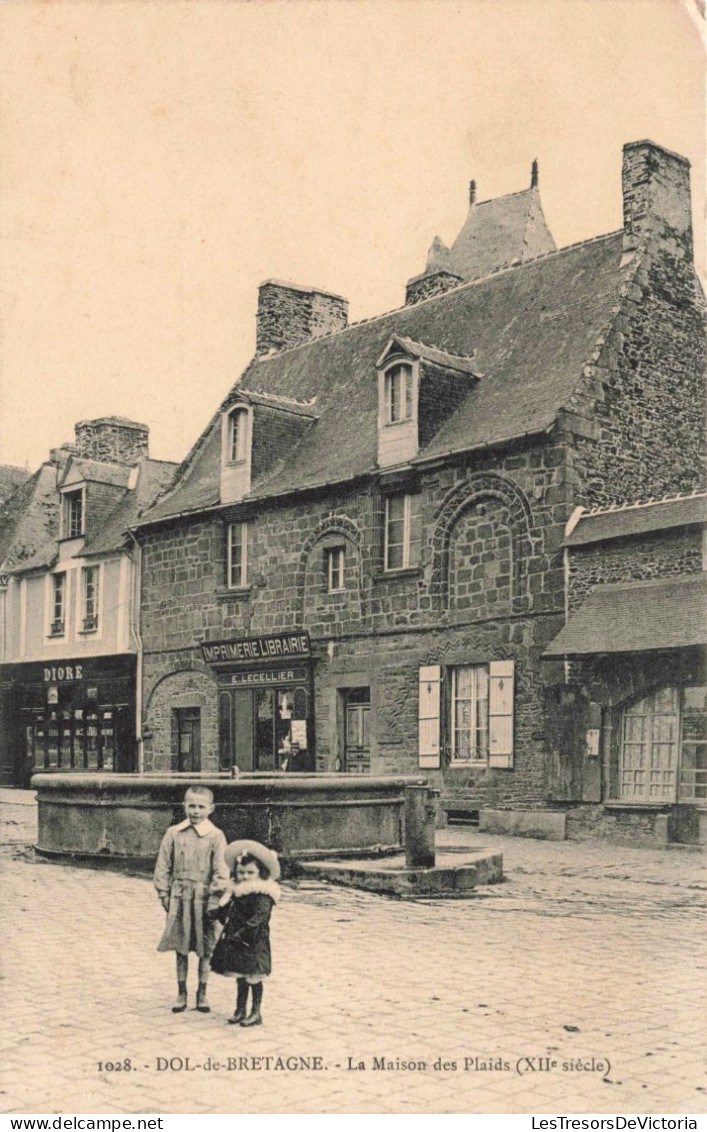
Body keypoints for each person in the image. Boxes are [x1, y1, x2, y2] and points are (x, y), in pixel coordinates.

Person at [153, 785, 229, 1014]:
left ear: (211, 808)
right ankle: (181, 992)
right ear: (184, 805)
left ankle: (202, 993)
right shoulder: (174, 833)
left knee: (206, 947)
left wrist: (214, 898)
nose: (195, 811)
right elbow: (163, 865)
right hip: (180, 895)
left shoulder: (216, 836)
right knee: (181, 945)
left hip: (204, 899)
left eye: (201, 806)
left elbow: (221, 870)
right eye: (191, 805)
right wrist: (164, 894)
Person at [208, 839, 281, 1027]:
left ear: (261, 873)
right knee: (240, 974)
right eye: (241, 872)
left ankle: (256, 1012)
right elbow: (230, 909)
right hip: (237, 938)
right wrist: (216, 913)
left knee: (253, 976)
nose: (245, 876)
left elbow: (259, 917)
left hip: (253, 940)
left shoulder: (263, 894)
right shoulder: (237, 890)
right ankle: (240, 1009)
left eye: (250, 873)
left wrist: (243, 931)